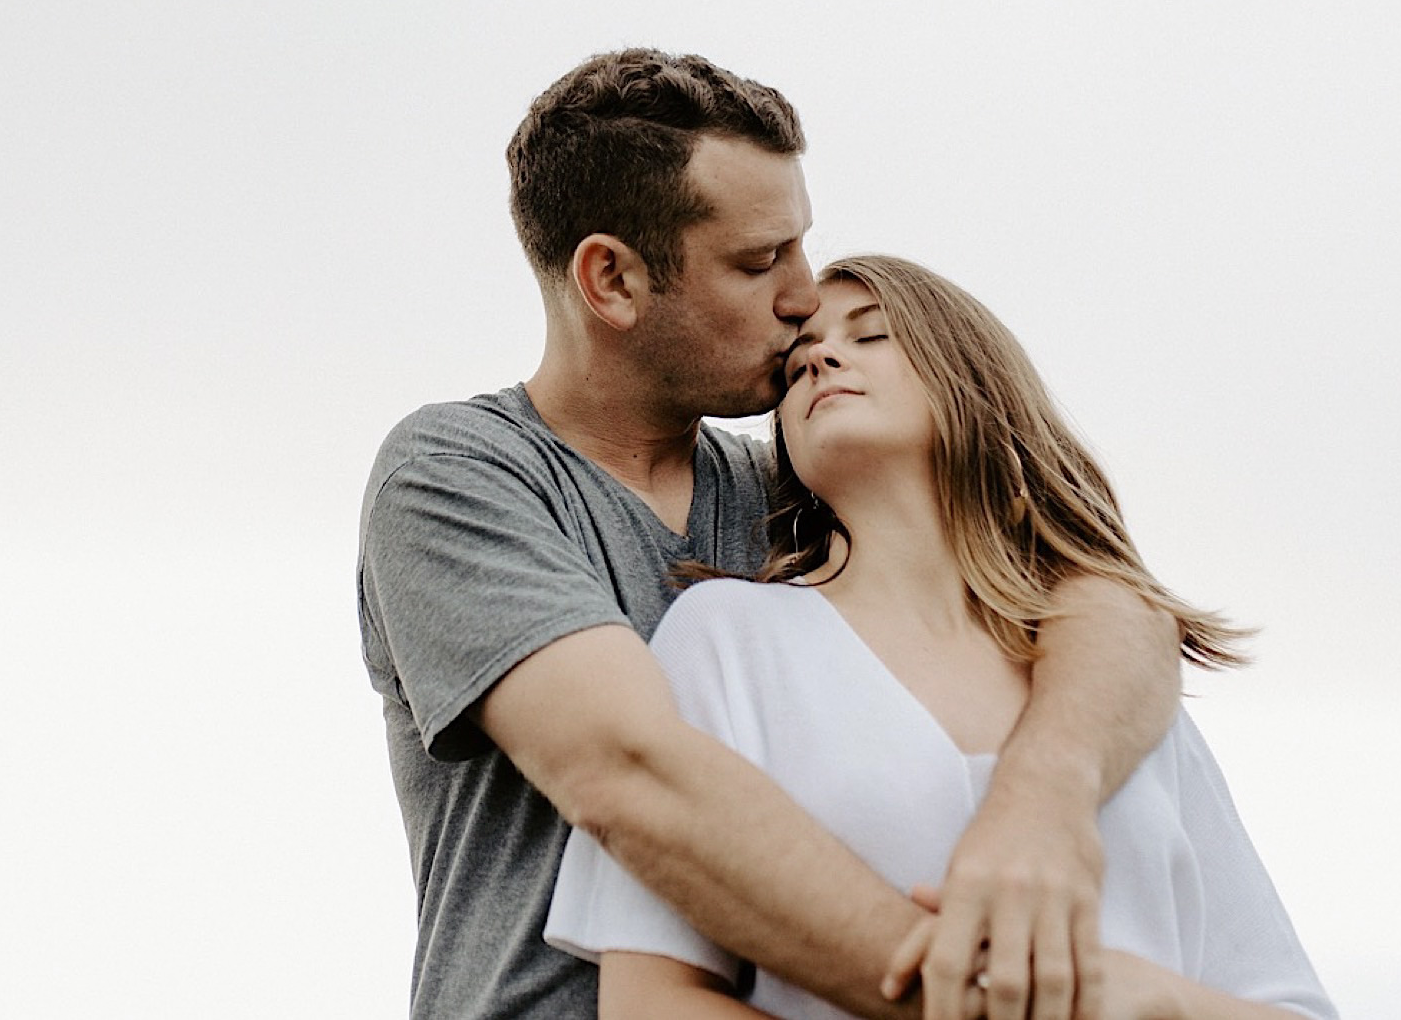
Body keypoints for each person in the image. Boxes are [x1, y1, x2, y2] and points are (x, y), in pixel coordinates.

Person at [357, 50, 1185, 1019]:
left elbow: (1101, 603)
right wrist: (987, 998)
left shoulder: (802, 492)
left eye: (799, 245)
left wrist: (1040, 804)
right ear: (611, 281)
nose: (802, 296)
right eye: (757, 262)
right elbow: (629, 773)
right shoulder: (458, 473)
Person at [544, 254, 1337, 1020]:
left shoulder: (1120, 686)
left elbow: (1289, 1003)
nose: (820, 355)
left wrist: (1153, 1000)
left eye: (872, 333)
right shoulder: (726, 635)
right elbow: (650, 1000)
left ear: (974, 380)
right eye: (796, 363)